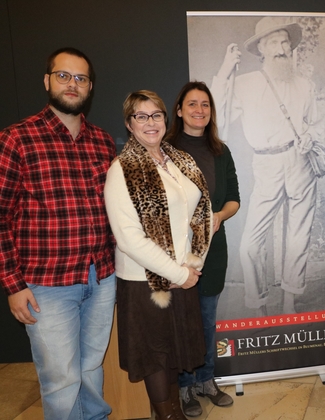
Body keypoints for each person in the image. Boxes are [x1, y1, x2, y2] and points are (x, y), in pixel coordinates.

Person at [0, 47, 116, 419]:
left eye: (80, 78)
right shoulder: (16, 139)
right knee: (61, 380)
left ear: (90, 87)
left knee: (91, 372)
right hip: (46, 286)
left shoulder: (103, 141)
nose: (72, 83)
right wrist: (13, 284)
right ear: (48, 80)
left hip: (100, 277)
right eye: (64, 75)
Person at [104, 90, 213, 420]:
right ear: (129, 123)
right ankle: (168, 416)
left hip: (184, 274)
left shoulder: (181, 160)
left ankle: (174, 412)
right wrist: (178, 275)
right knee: (157, 357)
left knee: (176, 352)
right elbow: (128, 238)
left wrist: (193, 265)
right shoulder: (122, 169)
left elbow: (204, 213)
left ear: (166, 120)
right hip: (146, 283)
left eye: (156, 115)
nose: (150, 123)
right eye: (141, 116)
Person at [211, 16, 318, 315]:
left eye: (285, 41)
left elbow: (315, 123)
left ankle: (290, 301)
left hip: (300, 163)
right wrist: (225, 69)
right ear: (261, 49)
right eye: (274, 42)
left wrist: (310, 136)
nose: (283, 48)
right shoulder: (244, 84)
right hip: (266, 164)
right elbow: (216, 115)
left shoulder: (304, 85)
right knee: (250, 244)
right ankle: (258, 305)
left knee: (298, 236)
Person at [164, 81, 240, 416]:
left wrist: (220, 216)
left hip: (213, 249)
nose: (199, 110)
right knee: (183, 321)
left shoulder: (220, 151)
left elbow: (234, 198)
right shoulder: (163, 150)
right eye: (192, 104)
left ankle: (207, 380)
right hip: (177, 253)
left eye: (205, 105)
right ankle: (185, 385)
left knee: (208, 320)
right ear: (179, 110)